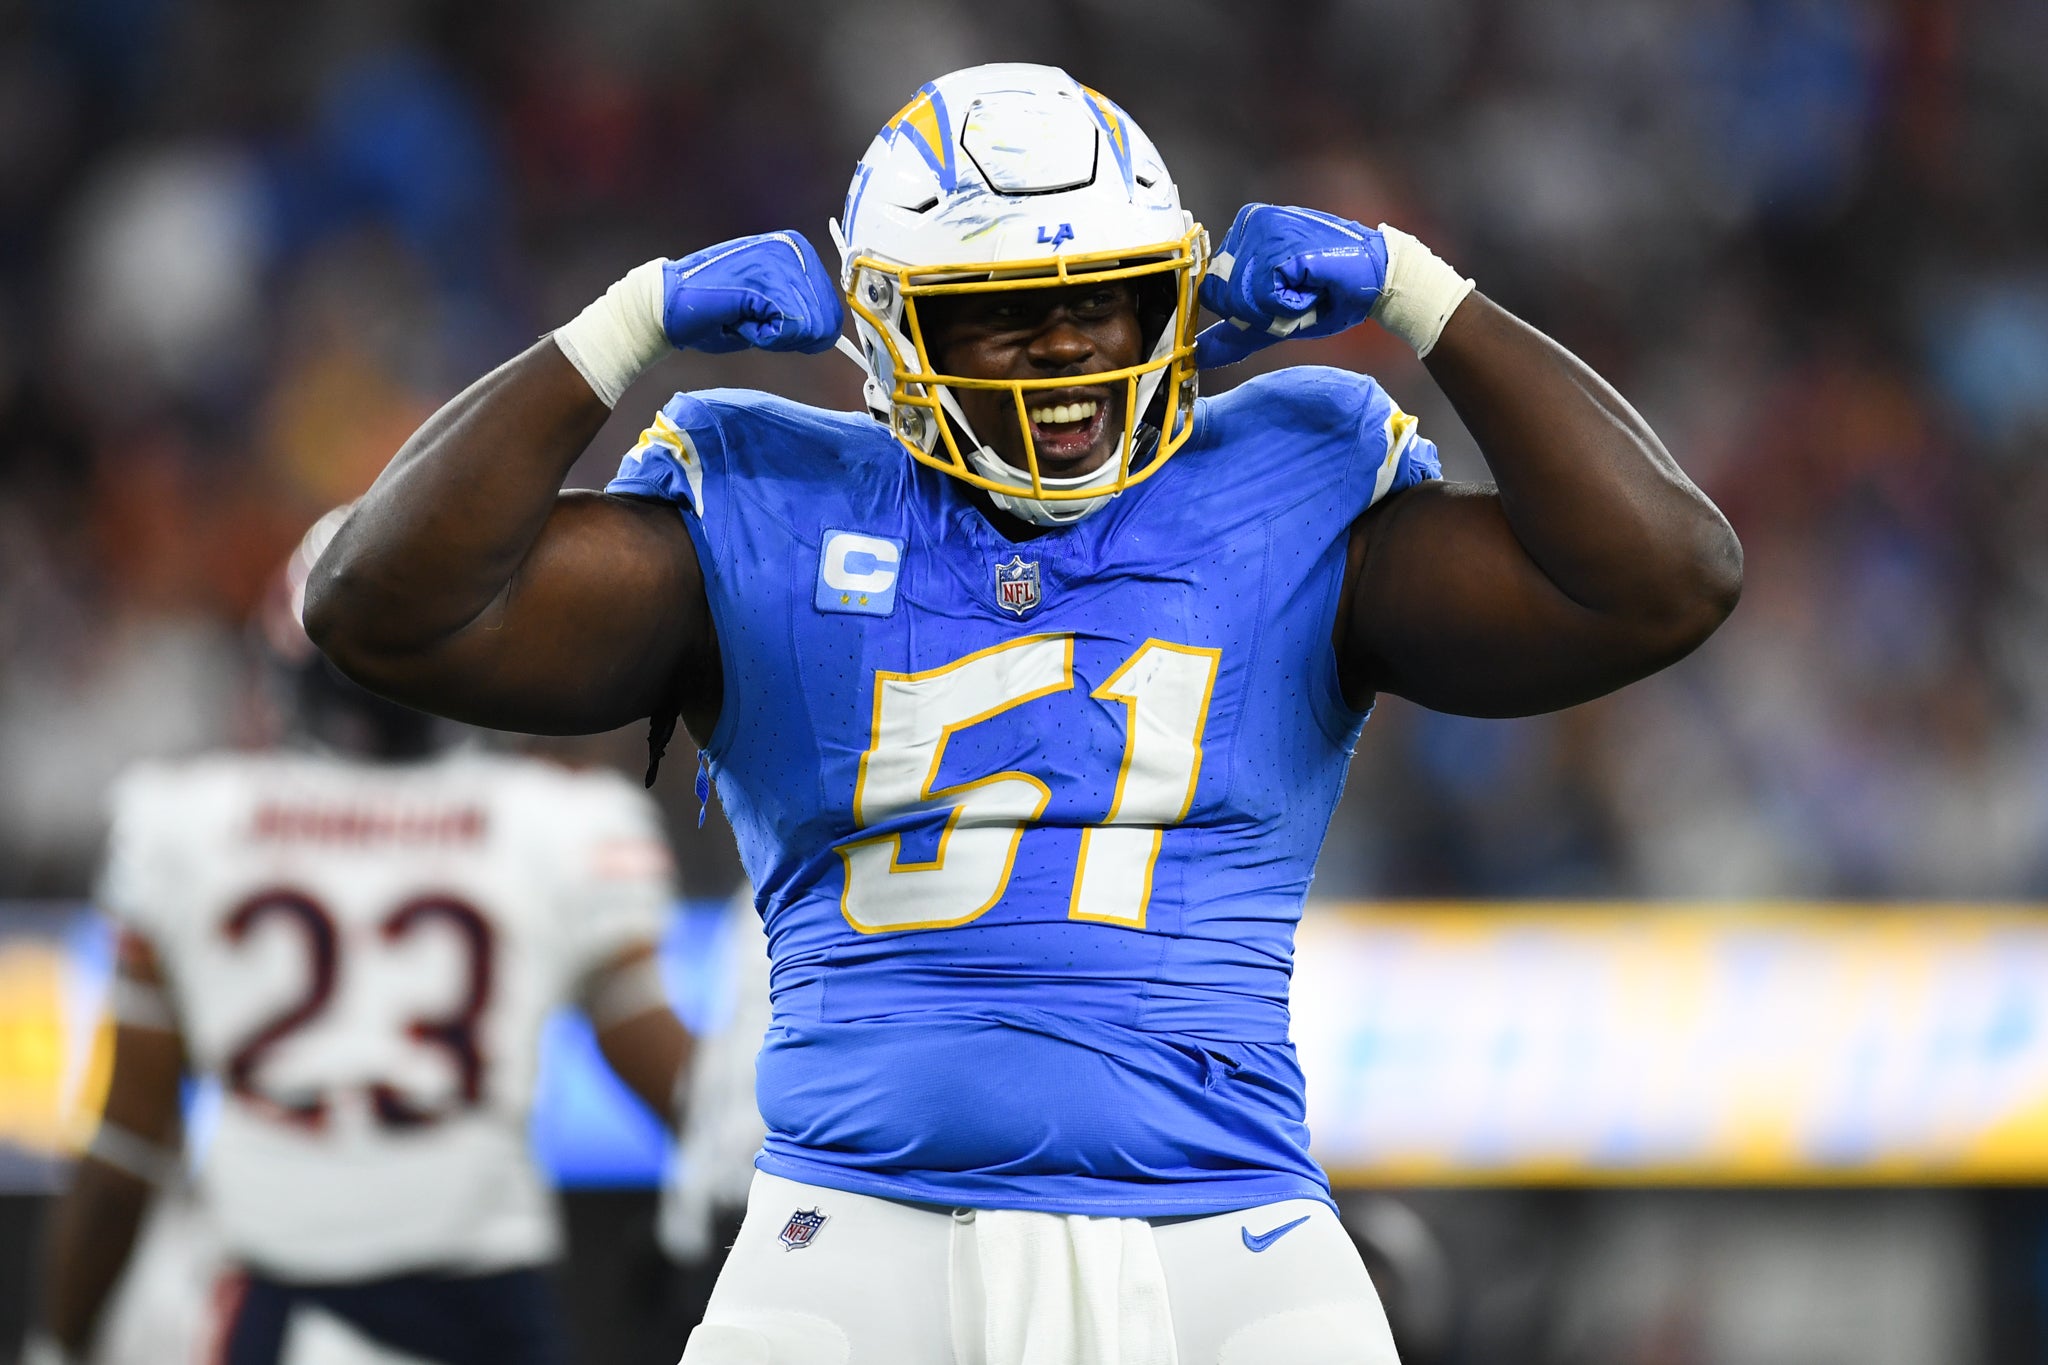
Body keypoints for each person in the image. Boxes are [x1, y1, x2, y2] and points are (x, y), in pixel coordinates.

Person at [305, 62, 1740, 1365]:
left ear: (1170, 298)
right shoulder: (767, 502)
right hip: (852, 1234)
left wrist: (1423, 293)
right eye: (1004, 314)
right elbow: (381, 606)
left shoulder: (1286, 483)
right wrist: (624, 330)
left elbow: (1666, 577)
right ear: (890, 331)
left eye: (1101, 297)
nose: (1066, 348)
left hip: (1226, 1229)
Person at [26, 510, 694, 1365]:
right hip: (483, 1301)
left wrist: (58, 1342)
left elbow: (127, 1146)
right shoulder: (561, 826)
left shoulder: (186, 824)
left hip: (276, 1301)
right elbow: (668, 1081)